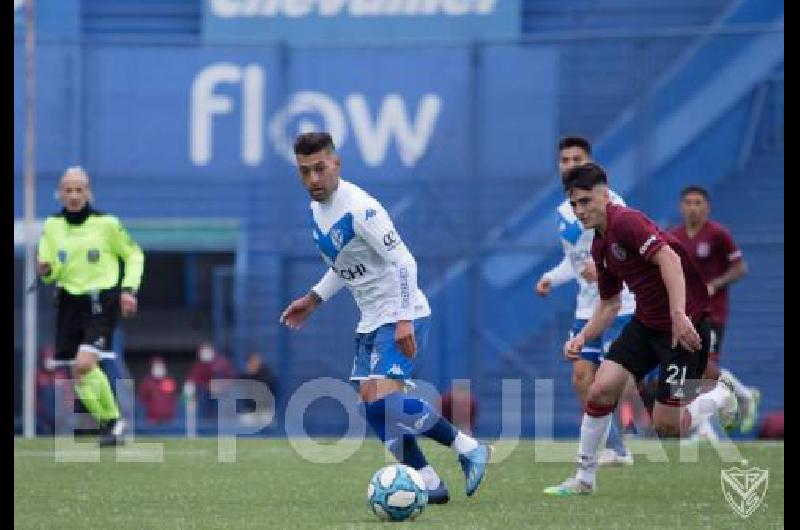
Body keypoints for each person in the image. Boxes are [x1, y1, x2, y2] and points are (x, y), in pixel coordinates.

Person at [280, 132, 490, 504]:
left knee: (386, 404)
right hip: (371, 320)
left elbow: (404, 261)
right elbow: (342, 266)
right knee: (373, 412)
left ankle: (468, 447)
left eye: (320, 169)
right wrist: (313, 300)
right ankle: (429, 482)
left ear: (336, 164)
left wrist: (404, 318)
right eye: (304, 172)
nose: (313, 179)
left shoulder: (361, 209)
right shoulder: (317, 211)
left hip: (400, 314)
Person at [543, 163, 739, 496]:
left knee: (667, 426)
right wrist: (582, 337)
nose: (580, 210)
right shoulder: (599, 245)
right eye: (574, 204)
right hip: (646, 325)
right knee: (600, 389)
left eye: (586, 201)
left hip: (684, 329)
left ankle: (720, 396)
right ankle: (584, 479)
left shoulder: (626, 221)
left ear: (604, 194)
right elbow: (609, 305)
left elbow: (670, 260)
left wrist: (678, 314)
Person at [535, 136, 635, 465]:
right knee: (581, 376)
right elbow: (575, 261)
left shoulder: (610, 202)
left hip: (620, 304)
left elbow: (629, 248)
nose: (570, 165)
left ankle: (709, 400)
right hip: (587, 307)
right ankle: (615, 447)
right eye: (564, 160)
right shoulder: (564, 211)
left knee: (626, 382)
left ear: (590, 162)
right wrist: (551, 277)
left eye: (577, 159)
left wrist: (606, 263)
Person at [36, 166, 144, 446]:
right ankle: (111, 424)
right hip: (69, 303)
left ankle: (114, 420)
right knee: (77, 372)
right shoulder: (52, 226)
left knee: (85, 364)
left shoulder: (106, 224)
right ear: (59, 194)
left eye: (79, 189)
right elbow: (51, 269)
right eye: (68, 190)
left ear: (89, 193)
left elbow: (133, 254)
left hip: (101, 301)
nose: (74, 195)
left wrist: (129, 289)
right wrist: (46, 270)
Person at [668, 185, 760, 435]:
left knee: (705, 368)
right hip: (685, 314)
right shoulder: (674, 236)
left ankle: (732, 405)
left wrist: (715, 285)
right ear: (681, 207)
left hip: (713, 312)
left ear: (707, 207)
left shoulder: (718, 234)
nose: (693, 207)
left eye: (698, 203)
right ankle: (710, 424)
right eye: (688, 202)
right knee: (691, 371)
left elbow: (740, 268)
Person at [184, 342, 236, 419]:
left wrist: (221, 386)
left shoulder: (222, 363)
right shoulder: (198, 366)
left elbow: (232, 378)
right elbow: (192, 380)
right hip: (205, 395)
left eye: (207, 350)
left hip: (222, 394)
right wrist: (207, 386)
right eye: (203, 351)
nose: (205, 353)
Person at [137, 356, 178, 424]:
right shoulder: (146, 383)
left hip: (169, 420)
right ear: (152, 369)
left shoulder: (169, 382)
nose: (158, 369)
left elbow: (173, 399)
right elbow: (142, 400)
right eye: (156, 367)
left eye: (160, 367)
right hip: (152, 420)